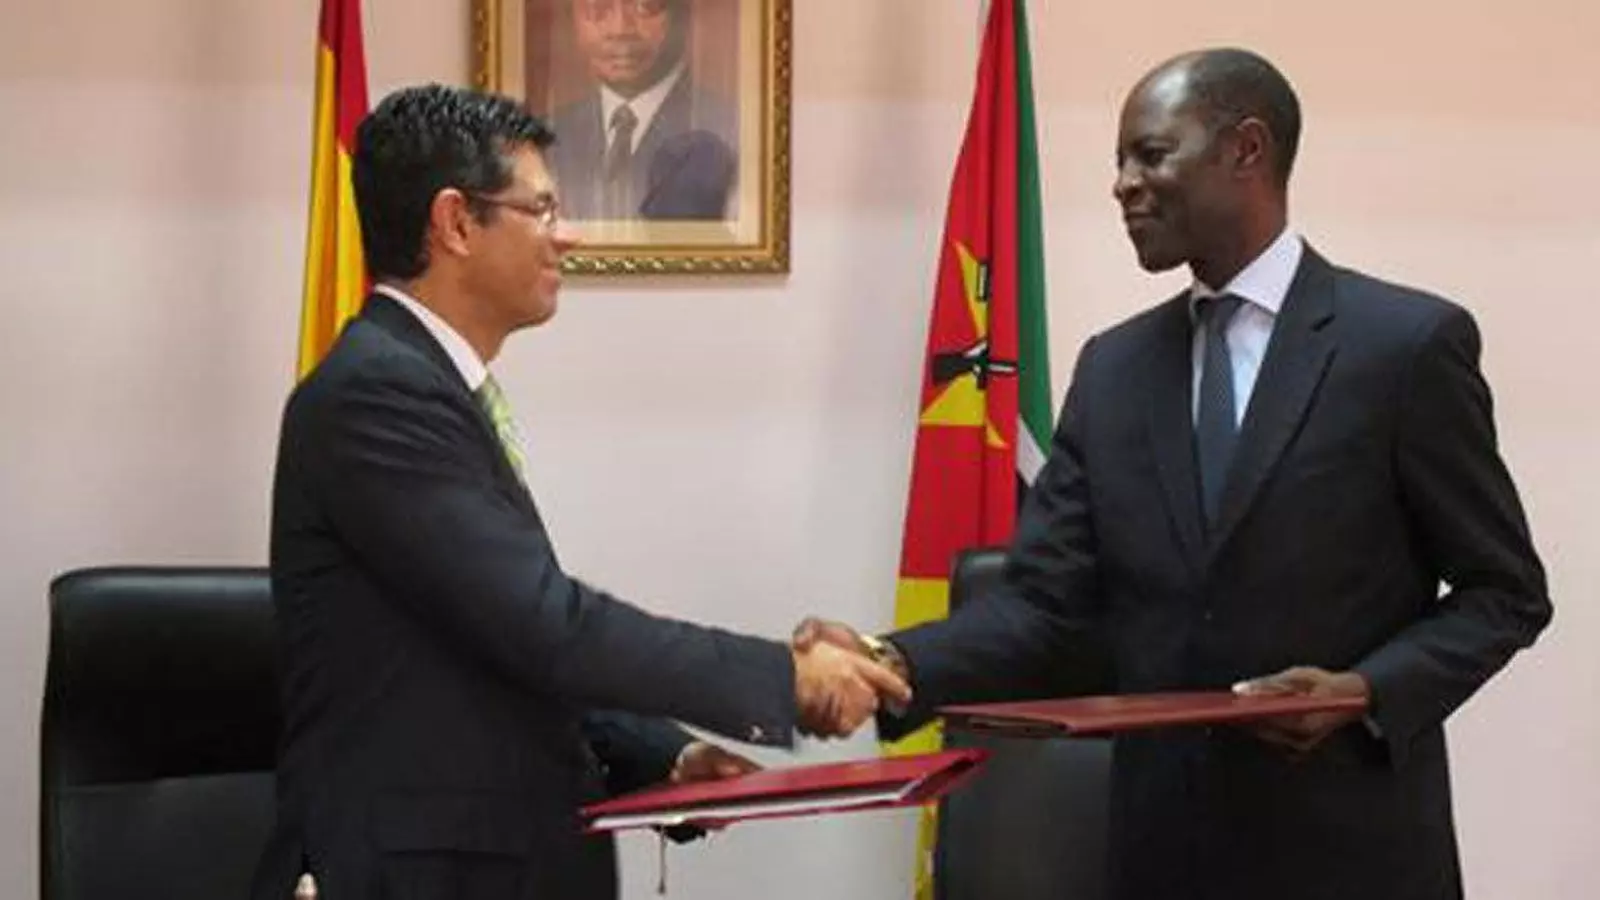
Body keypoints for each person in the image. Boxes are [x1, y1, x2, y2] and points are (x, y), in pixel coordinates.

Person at [796, 48, 1552, 900]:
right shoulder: (1115, 370)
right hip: (1162, 855)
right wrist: (889, 659)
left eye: (1150, 155)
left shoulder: (1402, 347)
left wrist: (1367, 692)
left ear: (1246, 149)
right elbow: (1045, 607)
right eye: (1119, 162)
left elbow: (1505, 593)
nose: (1123, 184)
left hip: (1350, 854)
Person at [250, 83, 908, 900]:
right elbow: (545, 625)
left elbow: (496, 648)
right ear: (456, 223)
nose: (569, 234)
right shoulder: (377, 394)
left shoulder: (422, 384)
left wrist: (663, 753)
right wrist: (781, 678)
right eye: (542, 209)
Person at [546, 0, 737, 221]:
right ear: (573, 19)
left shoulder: (732, 128)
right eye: (597, 9)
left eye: (645, 6)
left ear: (682, 14)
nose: (619, 30)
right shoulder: (547, 138)